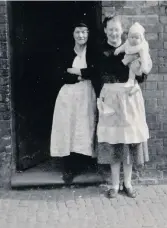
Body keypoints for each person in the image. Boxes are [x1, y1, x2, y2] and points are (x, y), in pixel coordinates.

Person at [96, 15, 152, 198]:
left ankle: (127, 183)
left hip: (130, 97)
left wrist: (137, 67)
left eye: (117, 29)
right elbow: (106, 71)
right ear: (105, 31)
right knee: (114, 140)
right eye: (110, 29)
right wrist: (124, 62)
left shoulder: (134, 46)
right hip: (112, 98)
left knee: (128, 140)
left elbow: (142, 76)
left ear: (122, 31)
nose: (114, 33)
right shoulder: (102, 50)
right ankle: (114, 184)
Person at [50, 22, 97, 182]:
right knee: (67, 126)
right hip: (68, 94)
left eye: (84, 32)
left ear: (88, 34)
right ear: (73, 34)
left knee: (83, 126)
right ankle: (68, 168)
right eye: (78, 32)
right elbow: (59, 73)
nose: (81, 35)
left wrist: (77, 72)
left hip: (86, 94)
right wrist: (82, 75)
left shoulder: (92, 52)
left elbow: (95, 71)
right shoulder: (65, 52)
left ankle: (81, 164)